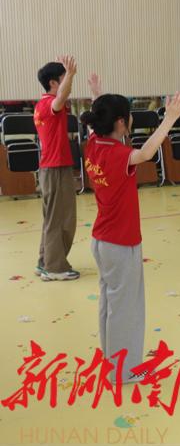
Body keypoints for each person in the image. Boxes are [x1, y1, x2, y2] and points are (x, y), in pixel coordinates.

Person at [81, 91, 180, 383]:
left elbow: (103, 126)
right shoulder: (118, 155)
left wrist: (97, 95)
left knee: (110, 305)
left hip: (101, 241)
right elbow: (146, 153)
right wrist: (169, 119)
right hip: (120, 243)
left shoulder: (93, 144)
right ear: (120, 122)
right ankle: (123, 372)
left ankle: (113, 364)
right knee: (125, 309)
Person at [35, 56, 100, 281]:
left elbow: (62, 97)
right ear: (53, 83)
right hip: (55, 168)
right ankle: (55, 267)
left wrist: (68, 75)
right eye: (62, 79)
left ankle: (45, 262)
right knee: (61, 219)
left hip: (51, 168)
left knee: (52, 218)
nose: (68, 83)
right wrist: (70, 74)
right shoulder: (48, 104)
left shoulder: (42, 104)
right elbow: (61, 97)